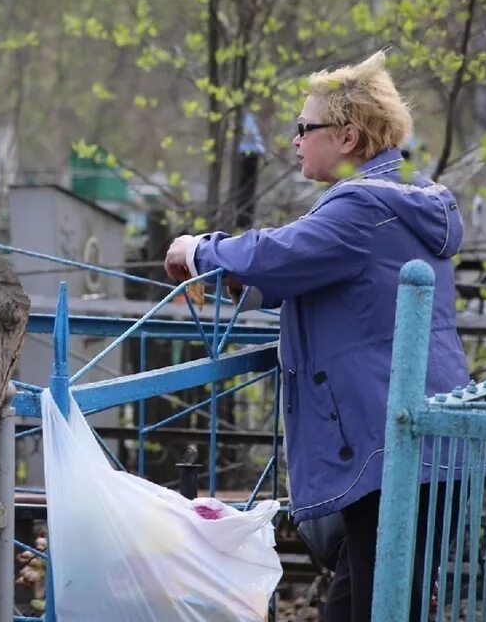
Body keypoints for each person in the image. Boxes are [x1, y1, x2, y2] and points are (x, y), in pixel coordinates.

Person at [164, 51, 469, 622]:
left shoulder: (363, 207)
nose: (295, 140)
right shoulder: (400, 199)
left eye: (305, 128)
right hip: (413, 435)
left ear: (348, 136)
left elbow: (280, 253)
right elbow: (309, 274)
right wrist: (233, 278)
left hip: (389, 438)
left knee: (376, 600)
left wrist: (199, 249)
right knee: (370, 598)